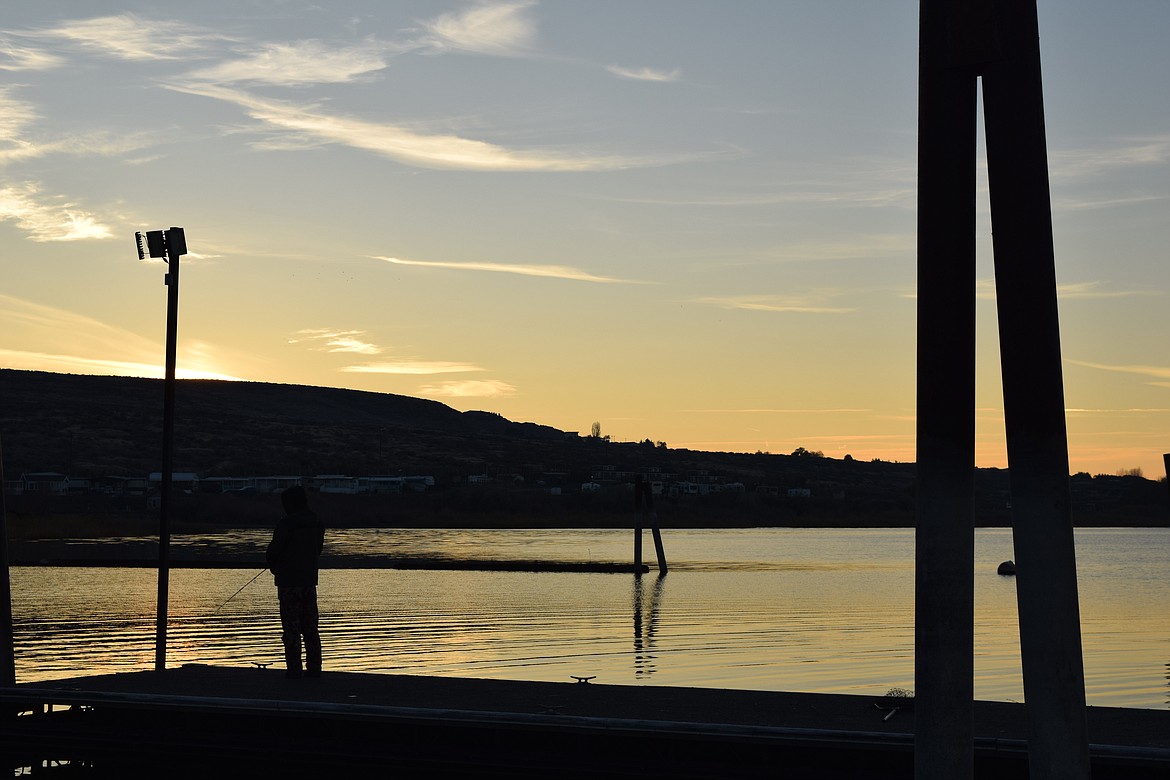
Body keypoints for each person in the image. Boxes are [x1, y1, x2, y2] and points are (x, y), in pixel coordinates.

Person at [266, 485, 325, 678]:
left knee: (291, 629)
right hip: (309, 582)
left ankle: (294, 670)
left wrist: (275, 565)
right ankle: (314, 669)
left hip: (289, 584)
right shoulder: (317, 522)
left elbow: (273, 551)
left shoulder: (286, 524)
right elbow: (318, 550)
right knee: (310, 629)